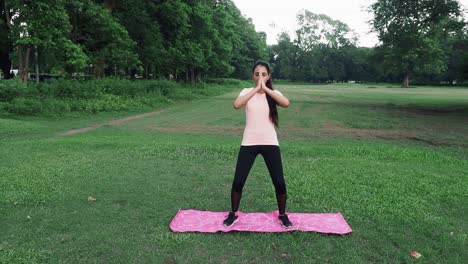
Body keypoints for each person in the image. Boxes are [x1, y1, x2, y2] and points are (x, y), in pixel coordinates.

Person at [223, 60, 292, 228]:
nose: (260, 77)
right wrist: (256, 88)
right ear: (252, 76)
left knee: (279, 182)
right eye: (257, 74)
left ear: (269, 76)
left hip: (270, 143)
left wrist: (266, 88)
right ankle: (233, 214)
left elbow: (286, 103)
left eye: (263, 74)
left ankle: (282, 215)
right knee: (238, 181)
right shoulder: (247, 91)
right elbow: (237, 105)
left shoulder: (274, 93)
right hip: (249, 143)